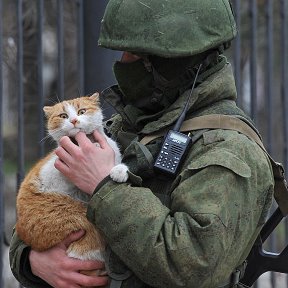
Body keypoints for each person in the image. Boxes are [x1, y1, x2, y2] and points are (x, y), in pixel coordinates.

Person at [10, 0, 275, 287]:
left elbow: (194, 266)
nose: (121, 63)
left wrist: (104, 187)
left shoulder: (229, 150)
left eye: (133, 54)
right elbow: (36, 215)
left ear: (172, 61)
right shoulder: (129, 125)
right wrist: (33, 262)